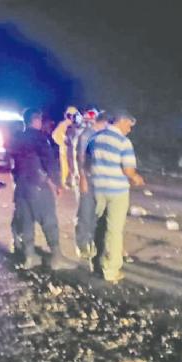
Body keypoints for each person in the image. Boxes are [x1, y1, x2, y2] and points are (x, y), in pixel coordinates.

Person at [10, 108, 77, 271]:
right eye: (40, 119)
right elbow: (49, 163)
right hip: (37, 186)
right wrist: (57, 184)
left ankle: (30, 256)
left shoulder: (16, 138)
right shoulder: (40, 138)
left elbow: (12, 164)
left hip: (21, 188)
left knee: (26, 223)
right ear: (36, 120)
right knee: (49, 221)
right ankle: (56, 257)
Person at [87, 109, 144, 283]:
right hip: (117, 192)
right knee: (114, 231)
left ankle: (95, 263)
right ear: (121, 122)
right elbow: (128, 170)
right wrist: (136, 178)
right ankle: (111, 270)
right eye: (128, 125)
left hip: (97, 189)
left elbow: (86, 162)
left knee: (98, 227)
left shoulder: (95, 138)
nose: (129, 129)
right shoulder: (123, 142)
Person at [75, 109, 108, 260]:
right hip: (88, 178)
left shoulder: (101, 135)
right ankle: (82, 245)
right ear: (104, 122)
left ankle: (92, 244)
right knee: (85, 213)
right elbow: (81, 158)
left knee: (96, 214)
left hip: (99, 180)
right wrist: (82, 178)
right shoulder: (87, 135)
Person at [51, 106, 79, 189]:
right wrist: (64, 143)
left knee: (71, 167)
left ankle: (70, 182)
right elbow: (55, 135)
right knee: (68, 167)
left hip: (70, 151)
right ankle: (68, 182)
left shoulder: (70, 124)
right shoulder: (65, 124)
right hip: (67, 151)